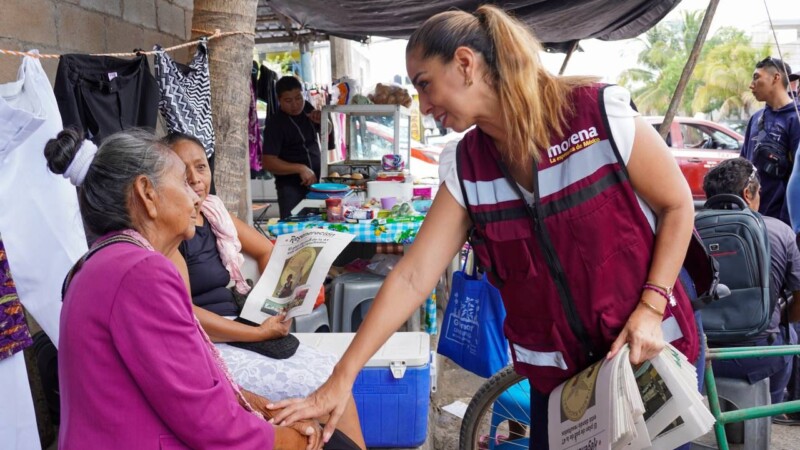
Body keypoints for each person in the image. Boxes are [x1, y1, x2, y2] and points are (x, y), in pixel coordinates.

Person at [269, 6, 701, 449]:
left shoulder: (596, 115)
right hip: (563, 388)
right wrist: (340, 380)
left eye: (424, 84)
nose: (424, 104)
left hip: (646, 356)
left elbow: (677, 205)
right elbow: (413, 276)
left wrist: (651, 309)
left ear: (464, 63)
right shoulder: (467, 167)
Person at [44, 128, 323, 449]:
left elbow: (187, 387)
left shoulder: (104, 261)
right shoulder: (140, 272)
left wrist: (260, 408)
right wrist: (290, 441)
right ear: (147, 193)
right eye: (182, 182)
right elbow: (209, 423)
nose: (195, 195)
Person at [163, 132, 366, 449]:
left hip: (241, 323)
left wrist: (277, 298)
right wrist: (257, 334)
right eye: (182, 172)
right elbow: (186, 319)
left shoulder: (215, 216)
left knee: (336, 379)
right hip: (211, 343)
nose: (194, 179)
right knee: (317, 387)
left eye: (201, 167)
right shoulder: (170, 234)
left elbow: (266, 252)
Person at [702, 157, 800, 407]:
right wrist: (780, 314)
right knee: (791, 332)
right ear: (748, 193)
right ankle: (772, 408)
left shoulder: (688, 230)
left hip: (702, 354)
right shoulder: (779, 231)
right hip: (759, 355)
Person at [739, 57, 800, 226]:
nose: (751, 85)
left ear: (776, 78)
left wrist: (788, 223)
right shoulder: (756, 118)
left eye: (757, 77)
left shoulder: (796, 118)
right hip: (752, 218)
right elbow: (744, 163)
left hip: (783, 223)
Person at [262, 76, 324, 218]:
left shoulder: (307, 108)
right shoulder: (275, 124)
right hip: (291, 189)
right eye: (288, 101)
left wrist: (323, 121)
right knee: (293, 231)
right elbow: (268, 161)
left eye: (298, 98)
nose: (295, 105)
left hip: (317, 185)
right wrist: (300, 168)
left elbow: (327, 133)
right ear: (279, 100)